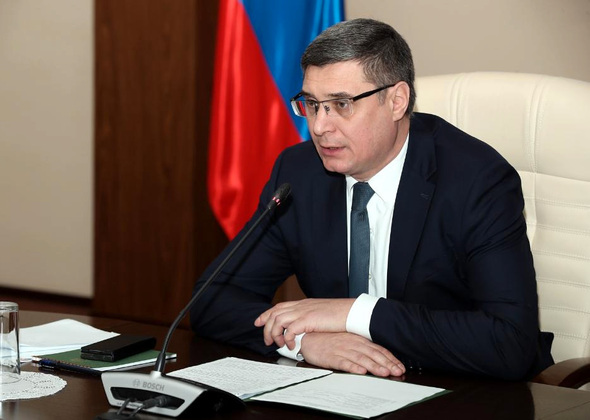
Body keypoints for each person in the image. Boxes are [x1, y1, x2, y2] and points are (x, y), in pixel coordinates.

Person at [191, 18, 554, 380]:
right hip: (345, 389)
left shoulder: (477, 181)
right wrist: (303, 341)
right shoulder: (300, 174)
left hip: (462, 389)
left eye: (341, 104)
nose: (319, 126)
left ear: (397, 101)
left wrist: (354, 314)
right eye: (312, 104)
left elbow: (510, 343)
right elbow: (213, 298)